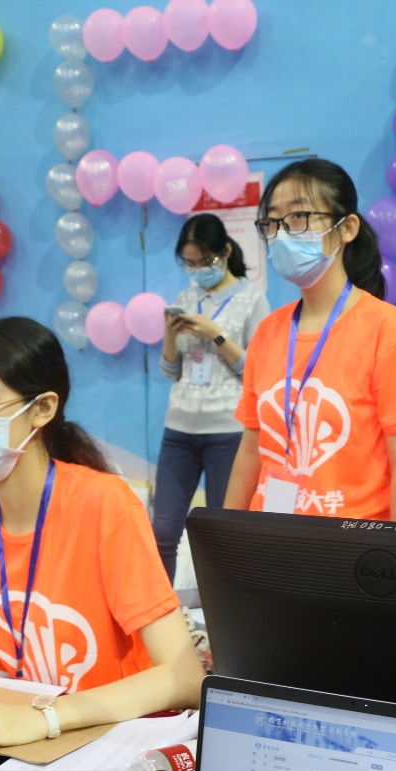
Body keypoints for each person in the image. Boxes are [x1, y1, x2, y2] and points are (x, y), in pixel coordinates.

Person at [0, 318, 204, 762]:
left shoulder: (104, 504)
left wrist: (46, 718)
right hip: (22, 738)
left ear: (43, 408)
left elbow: (184, 677)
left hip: (110, 737)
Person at [223, 159, 396, 521]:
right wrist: (224, 539)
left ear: (346, 228)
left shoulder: (390, 332)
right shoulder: (269, 332)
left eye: (299, 217)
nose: (282, 234)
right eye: (272, 222)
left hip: (353, 546)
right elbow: (250, 450)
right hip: (267, 539)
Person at [154, 214, 269, 580]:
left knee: (222, 535)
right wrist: (170, 335)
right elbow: (171, 371)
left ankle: (221, 611)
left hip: (227, 433)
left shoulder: (253, 300)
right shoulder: (186, 299)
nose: (198, 270)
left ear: (226, 252)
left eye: (205, 261)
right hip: (179, 429)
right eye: (190, 263)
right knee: (162, 530)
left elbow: (257, 372)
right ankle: (163, 609)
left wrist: (216, 335)